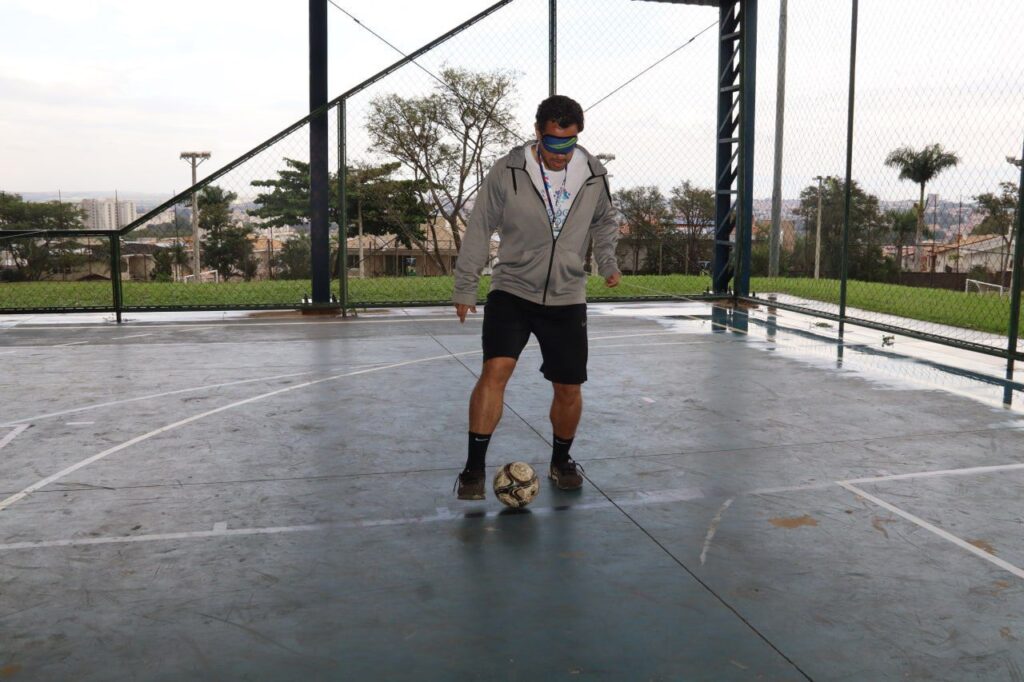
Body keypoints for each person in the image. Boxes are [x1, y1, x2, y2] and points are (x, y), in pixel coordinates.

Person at [451, 94, 621, 500]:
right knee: (495, 370)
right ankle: (473, 469)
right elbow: (480, 225)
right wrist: (466, 284)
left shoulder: (593, 173)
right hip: (512, 288)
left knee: (569, 387)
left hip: (567, 295)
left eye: (569, 143)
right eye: (553, 142)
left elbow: (604, 221)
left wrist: (608, 261)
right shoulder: (508, 170)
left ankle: (562, 460)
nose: (561, 153)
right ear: (537, 133)